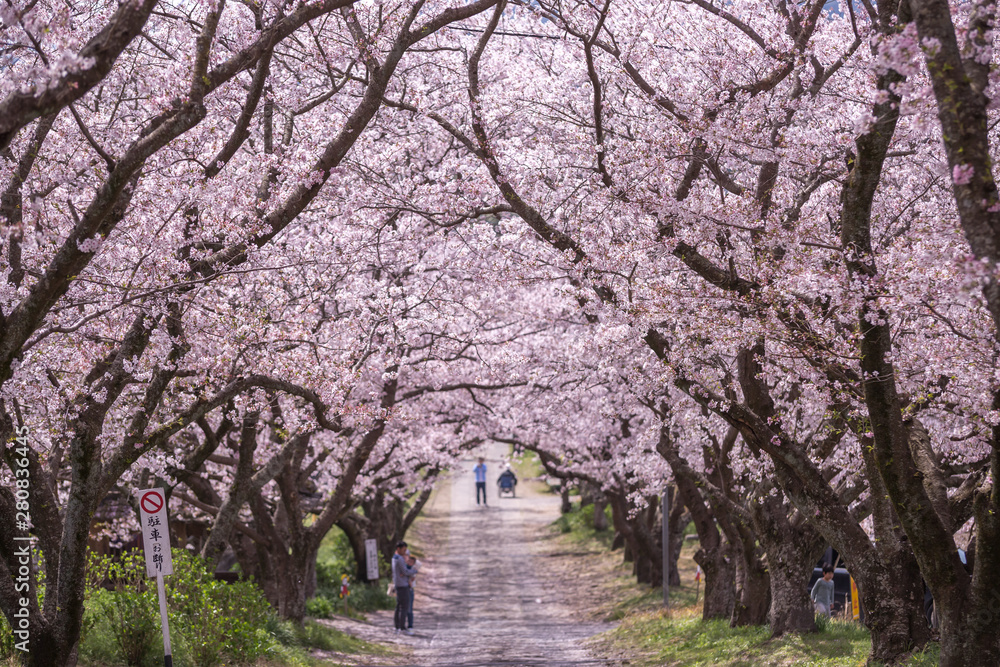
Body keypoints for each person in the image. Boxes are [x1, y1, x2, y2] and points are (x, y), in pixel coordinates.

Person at [392, 541, 418, 635]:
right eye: (404, 549)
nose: (405, 552)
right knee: (404, 607)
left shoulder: (394, 558)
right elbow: (405, 571)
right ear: (398, 549)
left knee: (399, 606)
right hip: (403, 585)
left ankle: (397, 626)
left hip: (398, 584)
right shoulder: (399, 559)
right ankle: (402, 627)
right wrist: (415, 571)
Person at [405, 552, 420, 630]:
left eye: (411, 562)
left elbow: (412, 578)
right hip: (404, 588)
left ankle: (410, 625)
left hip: (410, 589)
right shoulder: (404, 567)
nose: (409, 562)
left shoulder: (413, 569)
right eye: (409, 561)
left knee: (409, 609)